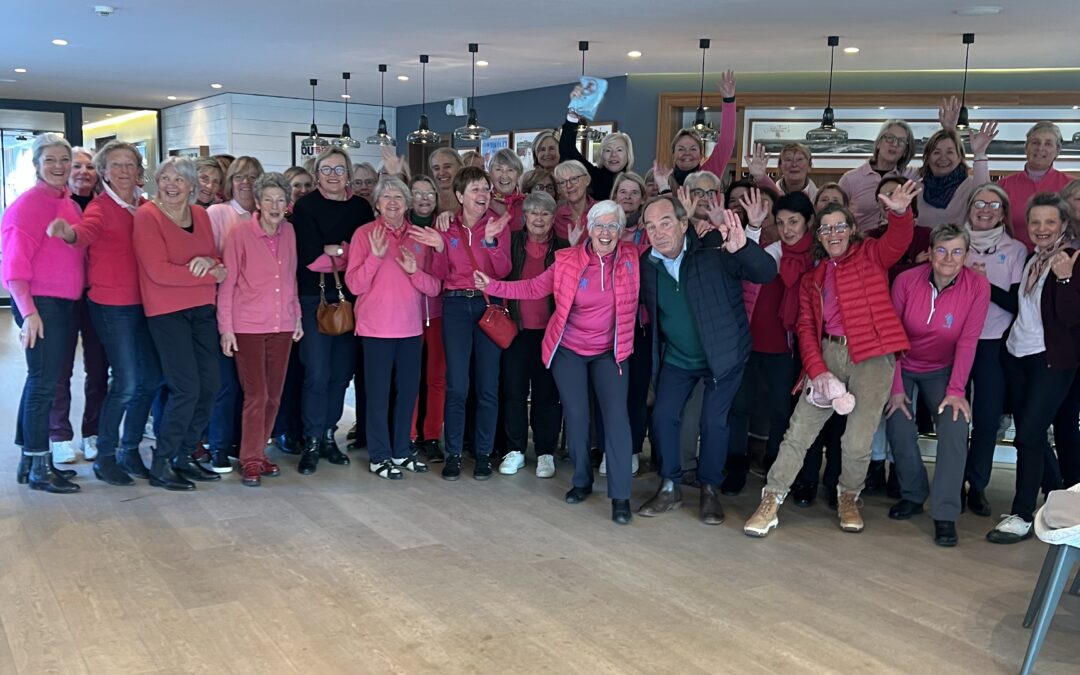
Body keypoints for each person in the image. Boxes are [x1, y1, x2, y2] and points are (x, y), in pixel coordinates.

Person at [743, 180, 920, 536]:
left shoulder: (872, 253)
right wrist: (818, 370)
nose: (833, 233)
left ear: (852, 230)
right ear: (818, 235)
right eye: (826, 228)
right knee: (799, 431)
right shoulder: (814, 277)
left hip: (873, 356)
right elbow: (807, 329)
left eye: (840, 226)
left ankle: (849, 496)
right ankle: (772, 498)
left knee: (857, 439)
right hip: (829, 353)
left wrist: (900, 213)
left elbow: (898, 242)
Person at [475, 201, 640, 524]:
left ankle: (620, 496)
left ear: (621, 232)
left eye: (612, 227)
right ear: (588, 229)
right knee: (577, 417)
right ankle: (581, 481)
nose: (605, 233)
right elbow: (534, 287)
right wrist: (492, 287)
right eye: (599, 225)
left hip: (611, 351)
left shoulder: (632, 258)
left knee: (617, 419)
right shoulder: (566, 260)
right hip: (570, 350)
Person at [638, 193, 776, 524]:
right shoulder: (647, 264)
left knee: (713, 423)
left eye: (666, 222)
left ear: (684, 223)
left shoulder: (714, 247)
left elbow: (765, 273)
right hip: (678, 357)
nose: (659, 232)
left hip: (723, 354)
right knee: (663, 417)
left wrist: (743, 247)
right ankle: (670, 485)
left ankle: (709, 489)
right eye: (651, 226)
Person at [46, 140, 159, 486]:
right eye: (116, 165)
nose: (124, 171)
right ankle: (106, 455)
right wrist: (68, 234)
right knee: (125, 381)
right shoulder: (99, 206)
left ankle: (128, 450)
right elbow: (86, 231)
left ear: (139, 171)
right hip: (112, 305)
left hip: (146, 304)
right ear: (104, 173)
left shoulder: (145, 206)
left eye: (130, 165)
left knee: (149, 379)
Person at [885, 224, 990, 547]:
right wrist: (897, 389)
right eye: (942, 250)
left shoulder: (978, 286)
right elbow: (893, 338)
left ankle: (945, 514)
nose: (949, 257)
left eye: (957, 251)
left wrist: (957, 391)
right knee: (898, 424)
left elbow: (968, 342)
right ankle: (914, 494)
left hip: (942, 371)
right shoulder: (905, 281)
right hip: (902, 365)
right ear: (929, 253)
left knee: (956, 426)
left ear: (966, 255)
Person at [988, 193, 1080, 544]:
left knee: (1028, 435)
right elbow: (1020, 305)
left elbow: (1072, 317)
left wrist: (1068, 279)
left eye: (1050, 222)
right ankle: (1055, 494)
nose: (1042, 229)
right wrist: (986, 284)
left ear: (1064, 225)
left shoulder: (1071, 259)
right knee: (1033, 432)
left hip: (1051, 360)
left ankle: (1023, 514)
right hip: (1018, 355)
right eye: (1036, 222)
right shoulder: (1032, 259)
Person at [410, 166, 511, 481]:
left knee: (487, 385)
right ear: (459, 196)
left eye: (485, 189)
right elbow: (440, 276)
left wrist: (492, 244)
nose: (482, 195)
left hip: (488, 305)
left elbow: (504, 271)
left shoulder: (497, 225)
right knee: (457, 384)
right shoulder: (446, 227)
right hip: (454, 305)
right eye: (475, 190)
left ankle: (482, 453)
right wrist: (439, 247)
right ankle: (453, 452)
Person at [132, 157, 226, 490]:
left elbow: (215, 260)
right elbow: (158, 272)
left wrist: (210, 264)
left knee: (210, 385)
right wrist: (206, 274)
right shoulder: (147, 216)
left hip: (202, 310)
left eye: (179, 180)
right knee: (185, 388)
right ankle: (162, 463)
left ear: (191, 186)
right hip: (166, 313)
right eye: (165, 178)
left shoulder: (200, 214)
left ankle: (184, 456)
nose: (171, 185)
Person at [339, 176, 441, 479]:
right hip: (375, 329)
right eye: (387, 197)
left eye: (399, 197)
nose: (393, 203)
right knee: (378, 394)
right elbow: (354, 284)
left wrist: (414, 272)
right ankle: (379, 455)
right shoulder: (364, 234)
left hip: (411, 328)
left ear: (408, 203)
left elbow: (435, 287)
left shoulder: (421, 236)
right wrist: (374, 257)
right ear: (377, 203)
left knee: (408, 393)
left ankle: (401, 450)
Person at [1, 133, 85, 493]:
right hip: (41, 305)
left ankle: (31, 460)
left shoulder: (67, 202)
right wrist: (29, 313)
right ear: (36, 164)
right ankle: (39, 467)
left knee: (41, 381)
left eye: (63, 160)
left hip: (63, 304)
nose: (58, 167)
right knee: (43, 385)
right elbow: (13, 268)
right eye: (49, 160)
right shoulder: (28, 206)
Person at [725, 192, 815, 495]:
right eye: (781, 222)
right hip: (751, 344)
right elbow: (752, 264)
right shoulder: (774, 250)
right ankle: (735, 467)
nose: (787, 228)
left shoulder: (817, 256)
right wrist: (752, 227)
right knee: (739, 408)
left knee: (781, 413)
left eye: (794, 221)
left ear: (808, 222)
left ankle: (777, 470)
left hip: (787, 350)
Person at [293, 147, 375, 474]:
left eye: (339, 170)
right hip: (315, 299)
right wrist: (347, 252)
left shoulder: (361, 208)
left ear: (348, 175)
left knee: (342, 375)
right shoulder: (305, 206)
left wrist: (337, 251)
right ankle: (311, 439)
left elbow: (364, 255)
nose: (332, 175)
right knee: (317, 374)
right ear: (317, 174)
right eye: (326, 169)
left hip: (351, 301)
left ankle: (329, 434)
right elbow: (310, 259)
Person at [217, 172, 302, 487]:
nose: (275, 205)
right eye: (268, 199)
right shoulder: (240, 234)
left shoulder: (290, 233)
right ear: (258, 202)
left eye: (280, 199)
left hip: (282, 325)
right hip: (248, 326)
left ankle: (260, 453)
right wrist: (226, 329)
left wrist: (297, 319)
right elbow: (227, 285)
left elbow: (290, 277)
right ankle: (250, 458)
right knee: (257, 395)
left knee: (274, 397)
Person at [962, 184, 1027, 516]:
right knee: (955, 419)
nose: (984, 209)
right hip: (957, 341)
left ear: (1003, 213)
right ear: (969, 209)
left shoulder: (1015, 250)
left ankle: (977, 485)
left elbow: (1017, 302)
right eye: (978, 203)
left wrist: (982, 285)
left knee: (987, 420)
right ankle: (953, 482)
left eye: (993, 204)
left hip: (993, 343)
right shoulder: (955, 243)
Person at [496, 191, 568, 478]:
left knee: (547, 394)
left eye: (545, 213)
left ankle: (545, 452)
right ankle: (514, 450)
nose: (539, 218)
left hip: (550, 333)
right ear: (524, 217)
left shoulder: (563, 249)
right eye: (533, 213)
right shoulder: (511, 243)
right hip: (515, 330)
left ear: (553, 218)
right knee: (513, 391)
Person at [49, 145, 108, 465]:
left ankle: (92, 431)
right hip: (60, 296)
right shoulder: (55, 205)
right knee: (60, 367)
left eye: (89, 167)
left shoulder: (104, 205)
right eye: (77, 166)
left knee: (98, 368)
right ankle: (59, 435)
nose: (84, 172)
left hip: (97, 295)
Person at [205, 156, 265, 471]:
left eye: (253, 176)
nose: (246, 182)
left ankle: (246, 446)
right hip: (227, 310)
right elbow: (211, 256)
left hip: (259, 316)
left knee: (252, 387)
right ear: (231, 181)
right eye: (240, 176)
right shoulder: (219, 212)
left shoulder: (267, 215)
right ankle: (218, 445)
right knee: (226, 384)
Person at [407, 174, 447, 462]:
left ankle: (431, 435)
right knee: (410, 379)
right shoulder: (400, 230)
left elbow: (444, 275)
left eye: (429, 193)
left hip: (438, 312)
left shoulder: (445, 228)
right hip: (406, 317)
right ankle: (408, 435)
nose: (424, 199)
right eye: (418, 193)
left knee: (436, 379)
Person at [997, 122, 1075, 251]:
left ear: (1057, 151)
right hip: (1013, 259)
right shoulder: (1004, 185)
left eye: (1048, 143)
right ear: (1026, 148)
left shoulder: (1071, 186)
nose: (1040, 148)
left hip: (1061, 260)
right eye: (1035, 142)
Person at [915, 121, 997, 229]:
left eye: (950, 152)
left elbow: (985, 196)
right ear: (927, 158)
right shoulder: (916, 189)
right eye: (936, 152)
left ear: (960, 157)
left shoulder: (970, 186)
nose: (943, 157)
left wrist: (979, 153)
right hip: (922, 246)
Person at [838, 120, 919, 229]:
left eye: (901, 141)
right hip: (861, 242)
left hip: (899, 241)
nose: (895, 144)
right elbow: (836, 214)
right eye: (890, 138)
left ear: (905, 151)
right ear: (879, 143)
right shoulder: (850, 179)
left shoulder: (911, 176)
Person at [558, 90, 634, 200]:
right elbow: (567, 150)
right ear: (601, 155)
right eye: (608, 150)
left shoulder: (635, 182)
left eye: (619, 150)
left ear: (628, 155)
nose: (613, 155)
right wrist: (573, 115)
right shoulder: (594, 176)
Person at [668, 70, 738, 187]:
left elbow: (726, 143)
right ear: (673, 154)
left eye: (693, 149)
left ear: (701, 155)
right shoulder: (664, 179)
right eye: (681, 149)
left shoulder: (710, 172)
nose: (687, 153)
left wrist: (729, 101)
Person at [552, 160, 594, 242]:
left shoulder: (601, 210)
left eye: (574, 179)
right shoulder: (555, 217)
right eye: (563, 182)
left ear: (587, 180)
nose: (569, 185)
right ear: (559, 189)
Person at [487, 148, 525, 229]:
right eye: (498, 169)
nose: (504, 176)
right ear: (490, 173)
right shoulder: (482, 202)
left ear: (518, 174)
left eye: (510, 170)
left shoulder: (528, 204)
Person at [428, 148, 464, 214]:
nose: (441, 173)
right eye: (436, 168)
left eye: (447, 167)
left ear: (460, 168)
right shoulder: (428, 202)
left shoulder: (470, 201)